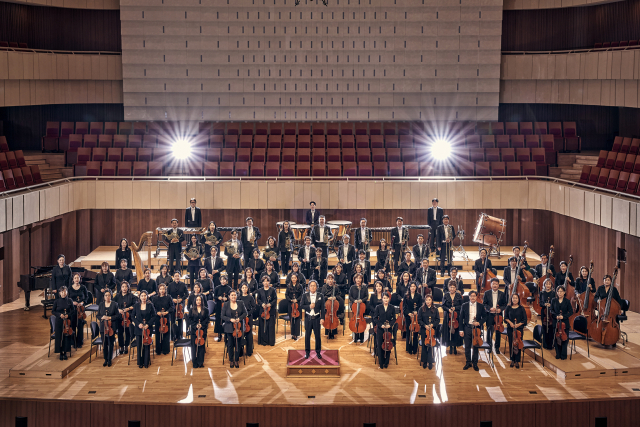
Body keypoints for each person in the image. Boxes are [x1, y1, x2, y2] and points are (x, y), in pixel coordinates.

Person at [460, 290, 486, 371]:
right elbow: (461, 318)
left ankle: (475, 363)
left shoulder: (481, 306)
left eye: (474, 296)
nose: (472, 297)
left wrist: (479, 322)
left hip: (476, 329)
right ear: (469, 297)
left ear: (476, 297)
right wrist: (461, 330)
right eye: (471, 296)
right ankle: (468, 362)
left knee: (475, 346)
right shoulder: (464, 305)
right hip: (467, 327)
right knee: (467, 346)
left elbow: (485, 317)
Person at [301, 280, 325, 359]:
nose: (312, 287)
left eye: (314, 285)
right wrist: (309, 306)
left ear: (316, 287)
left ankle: (318, 352)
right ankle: (307, 352)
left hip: (317, 319)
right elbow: (301, 306)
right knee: (307, 336)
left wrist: (322, 318)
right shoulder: (305, 295)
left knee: (317, 336)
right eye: (311, 285)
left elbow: (323, 309)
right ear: (309, 287)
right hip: (308, 319)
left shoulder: (320, 295)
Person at [222, 290, 246, 368]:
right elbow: (222, 316)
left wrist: (239, 318)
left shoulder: (240, 303)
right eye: (232, 295)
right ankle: (231, 360)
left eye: (235, 295)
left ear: (237, 296)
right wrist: (230, 319)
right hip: (229, 327)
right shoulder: (226, 304)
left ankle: (236, 360)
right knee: (230, 344)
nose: (233, 297)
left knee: (238, 344)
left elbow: (245, 313)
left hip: (238, 327)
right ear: (229, 296)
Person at [482, 277, 507, 354]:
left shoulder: (502, 294)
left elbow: (505, 304)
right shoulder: (487, 293)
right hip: (489, 315)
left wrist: (501, 309)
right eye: (493, 284)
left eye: (496, 284)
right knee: (489, 331)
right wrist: (489, 308)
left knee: (498, 332)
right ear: (491, 284)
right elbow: (484, 304)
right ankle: (489, 347)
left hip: (498, 316)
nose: (495, 285)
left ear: (498, 285)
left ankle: (497, 348)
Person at [132, 291, 157, 369]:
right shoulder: (136, 305)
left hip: (147, 329)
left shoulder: (150, 305)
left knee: (146, 345)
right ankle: (140, 362)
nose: (143, 297)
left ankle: (146, 362)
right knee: (139, 346)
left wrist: (148, 324)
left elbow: (154, 316)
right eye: (142, 296)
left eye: (145, 296)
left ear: (147, 296)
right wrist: (138, 324)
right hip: (139, 329)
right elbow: (132, 316)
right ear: (139, 297)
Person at [52, 286, 76, 360]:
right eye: (62, 292)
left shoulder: (69, 300)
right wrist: (60, 315)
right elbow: (53, 311)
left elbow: (73, 310)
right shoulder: (56, 301)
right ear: (59, 293)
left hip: (67, 321)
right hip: (59, 321)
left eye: (65, 291)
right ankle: (60, 353)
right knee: (59, 336)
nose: (63, 293)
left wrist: (68, 315)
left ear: (67, 292)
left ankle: (65, 352)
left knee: (66, 336)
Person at [373, 292, 396, 369]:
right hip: (380, 329)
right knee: (380, 345)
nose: (386, 299)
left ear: (389, 299)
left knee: (388, 345)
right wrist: (380, 325)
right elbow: (375, 318)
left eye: (387, 298)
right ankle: (381, 363)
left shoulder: (392, 307)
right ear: (382, 299)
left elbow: (394, 319)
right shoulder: (378, 307)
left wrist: (390, 324)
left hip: (388, 329)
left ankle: (386, 362)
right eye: (384, 298)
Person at [97, 290, 120, 366]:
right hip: (103, 327)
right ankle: (105, 359)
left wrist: (110, 317)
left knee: (110, 343)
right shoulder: (101, 304)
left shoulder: (115, 304)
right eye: (106, 295)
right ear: (104, 297)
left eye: (109, 295)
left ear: (111, 296)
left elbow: (118, 316)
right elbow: (98, 315)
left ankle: (109, 359)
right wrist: (102, 317)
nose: (107, 297)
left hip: (111, 327)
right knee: (104, 344)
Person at [113, 281, 136, 355]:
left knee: (127, 332)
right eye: (123, 287)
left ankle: (126, 345)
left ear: (128, 287)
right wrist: (118, 310)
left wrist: (128, 309)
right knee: (120, 332)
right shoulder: (117, 296)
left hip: (128, 317)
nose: (124, 288)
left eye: (126, 286)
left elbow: (135, 305)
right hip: (119, 317)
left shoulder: (131, 296)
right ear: (121, 288)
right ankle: (121, 346)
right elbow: (113, 305)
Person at [505, 293, 527, 368]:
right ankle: (512, 360)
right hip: (510, 328)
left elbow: (525, 320)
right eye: (513, 298)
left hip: (519, 329)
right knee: (511, 344)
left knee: (518, 344)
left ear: (518, 299)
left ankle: (517, 360)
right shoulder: (508, 307)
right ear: (511, 299)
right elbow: (506, 317)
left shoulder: (521, 308)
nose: (514, 299)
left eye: (516, 298)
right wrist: (511, 323)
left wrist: (518, 324)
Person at [152, 283, 174, 355]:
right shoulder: (155, 298)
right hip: (157, 317)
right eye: (160, 289)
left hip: (166, 317)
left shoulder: (169, 297)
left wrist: (167, 312)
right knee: (158, 333)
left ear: (165, 289)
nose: (162, 290)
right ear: (158, 290)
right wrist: (157, 312)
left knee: (166, 333)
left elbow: (172, 307)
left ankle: (165, 349)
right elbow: (152, 308)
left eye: (163, 289)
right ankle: (158, 350)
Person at [418, 294, 440, 369]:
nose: (428, 301)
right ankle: (424, 361)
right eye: (426, 300)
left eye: (429, 300)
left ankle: (430, 361)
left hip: (432, 330)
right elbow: (419, 320)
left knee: (431, 345)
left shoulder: (435, 309)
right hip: (424, 330)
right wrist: (425, 325)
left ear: (432, 300)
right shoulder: (421, 309)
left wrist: (432, 325)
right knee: (424, 345)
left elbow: (438, 320)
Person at [442, 281, 463, 355]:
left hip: (456, 316)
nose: (452, 288)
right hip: (448, 316)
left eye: (453, 287)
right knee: (448, 331)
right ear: (448, 288)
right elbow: (443, 306)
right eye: (451, 287)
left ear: (456, 288)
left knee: (456, 330)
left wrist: (455, 308)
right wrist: (448, 309)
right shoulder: (446, 295)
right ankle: (450, 346)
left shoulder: (458, 295)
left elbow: (461, 306)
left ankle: (455, 346)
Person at [68, 273, 88, 348]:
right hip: (72, 309)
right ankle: (73, 341)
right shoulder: (69, 288)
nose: (76, 279)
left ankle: (79, 342)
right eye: (75, 278)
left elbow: (86, 297)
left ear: (80, 279)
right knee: (73, 324)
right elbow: (67, 299)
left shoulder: (83, 287)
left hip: (81, 309)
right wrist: (72, 302)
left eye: (78, 278)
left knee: (80, 325)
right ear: (73, 279)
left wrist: (82, 302)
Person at [551, 285, 572, 360]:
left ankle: (563, 355)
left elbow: (571, 311)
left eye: (561, 291)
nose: (559, 293)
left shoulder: (567, 301)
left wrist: (564, 316)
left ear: (564, 292)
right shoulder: (554, 300)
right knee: (556, 338)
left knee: (564, 339)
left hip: (564, 323)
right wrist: (556, 315)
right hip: (556, 322)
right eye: (558, 291)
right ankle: (558, 354)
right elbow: (551, 310)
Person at [189, 295, 210, 368]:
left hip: (202, 330)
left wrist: (202, 325)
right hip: (194, 331)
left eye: (200, 300)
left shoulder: (206, 310)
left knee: (202, 346)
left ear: (202, 301)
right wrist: (195, 326)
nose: (198, 301)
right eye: (197, 300)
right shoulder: (191, 309)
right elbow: (190, 320)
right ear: (195, 301)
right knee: (194, 346)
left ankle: (200, 362)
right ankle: (194, 362)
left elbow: (207, 319)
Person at [322, 273, 344, 339]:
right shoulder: (324, 287)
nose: (330, 280)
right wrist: (327, 298)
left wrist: (335, 297)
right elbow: (322, 296)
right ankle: (328, 331)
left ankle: (334, 332)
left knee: (334, 315)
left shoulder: (336, 287)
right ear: (326, 280)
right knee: (327, 316)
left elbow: (339, 294)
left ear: (333, 280)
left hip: (334, 305)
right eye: (329, 279)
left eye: (331, 279)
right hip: (327, 305)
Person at [403, 281, 423, 355]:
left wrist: (416, 312)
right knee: (409, 332)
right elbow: (404, 307)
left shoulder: (419, 296)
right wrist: (409, 313)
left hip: (416, 317)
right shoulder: (406, 296)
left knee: (415, 332)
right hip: (408, 317)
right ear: (409, 287)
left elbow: (421, 307)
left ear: (416, 287)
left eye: (414, 286)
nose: (413, 288)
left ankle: (414, 348)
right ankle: (409, 348)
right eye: (411, 286)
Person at [167, 271, 188, 340]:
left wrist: (181, 299)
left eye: (178, 276)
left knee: (180, 320)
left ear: (180, 277)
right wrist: (172, 299)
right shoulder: (170, 285)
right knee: (173, 319)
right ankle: (173, 336)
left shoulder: (183, 284)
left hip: (180, 305)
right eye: (175, 276)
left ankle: (180, 336)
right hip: (172, 304)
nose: (177, 277)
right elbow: (168, 294)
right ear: (173, 277)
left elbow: (187, 294)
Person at [257, 276, 277, 346]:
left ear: (269, 282)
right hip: (262, 311)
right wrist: (262, 304)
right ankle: (263, 341)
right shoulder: (259, 290)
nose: (266, 282)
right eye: (264, 281)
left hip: (270, 311)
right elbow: (258, 299)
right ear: (262, 282)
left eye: (267, 281)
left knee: (271, 326)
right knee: (262, 326)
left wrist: (270, 304)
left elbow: (275, 299)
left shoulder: (272, 290)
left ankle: (271, 341)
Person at [349, 273, 369, 343]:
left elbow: (367, 296)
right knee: (355, 321)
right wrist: (354, 300)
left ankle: (362, 337)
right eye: (357, 278)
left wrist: (362, 300)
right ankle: (355, 337)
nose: (358, 279)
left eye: (360, 278)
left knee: (361, 321)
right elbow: (350, 296)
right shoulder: (352, 287)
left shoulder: (364, 287)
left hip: (362, 306)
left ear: (362, 279)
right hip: (354, 305)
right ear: (354, 279)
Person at [238, 282, 256, 357]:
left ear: (248, 289)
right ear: (241, 289)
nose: (244, 289)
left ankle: (249, 351)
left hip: (248, 317)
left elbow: (254, 307)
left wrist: (248, 314)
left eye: (245, 287)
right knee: (240, 333)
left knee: (248, 333)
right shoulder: (238, 297)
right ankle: (240, 351)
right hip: (241, 317)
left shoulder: (250, 297)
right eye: (243, 287)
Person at [539, 278, 556, 350]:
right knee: (544, 326)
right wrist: (544, 304)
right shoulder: (541, 293)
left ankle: (550, 344)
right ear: (544, 285)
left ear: (551, 285)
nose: (548, 285)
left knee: (551, 328)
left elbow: (555, 302)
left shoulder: (553, 293)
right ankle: (545, 344)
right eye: (546, 284)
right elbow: (540, 303)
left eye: (549, 284)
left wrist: (550, 305)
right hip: (544, 312)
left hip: (551, 312)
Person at [213, 275, 232, 341]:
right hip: (219, 306)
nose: (223, 281)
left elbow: (231, 297)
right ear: (220, 281)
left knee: (226, 320)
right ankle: (219, 335)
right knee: (219, 320)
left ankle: (226, 335)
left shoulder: (229, 288)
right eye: (221, 280)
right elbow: (214, 297)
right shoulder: (217, 288)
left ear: (226, 281)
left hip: (226, 306)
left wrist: (227, 298)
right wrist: (218, 297)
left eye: (224, 280)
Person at [286, 273, 304, 340]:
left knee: (297, 319)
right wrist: (290, 300)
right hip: (290, 304)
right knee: (291, 319)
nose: (293, 279)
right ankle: (292, 333)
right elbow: (286, 295)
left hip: (297, 304)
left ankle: (296, 334)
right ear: (291, 278)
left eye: (295, 278)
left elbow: (302, 295)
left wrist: (297, 300)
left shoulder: (300, 286)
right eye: (292, 278)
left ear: (297, 278)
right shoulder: (288, 286)